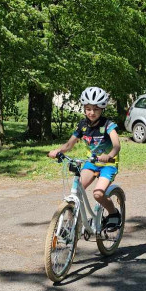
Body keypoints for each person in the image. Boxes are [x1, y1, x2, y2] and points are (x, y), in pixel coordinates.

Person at [48, 86, 122, 231]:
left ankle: (114, 214)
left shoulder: (108, 125)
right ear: (84, 108)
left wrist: (109, 156)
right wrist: (58, 150)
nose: (91, 112)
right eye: (88, 108)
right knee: (76, 189)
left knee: (98, 194)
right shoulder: (82, 126)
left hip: (108, 164)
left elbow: (116, 145)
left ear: (102, 109)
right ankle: (71, 225)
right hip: (91, 163)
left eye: (96, 109)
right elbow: (69, 144)